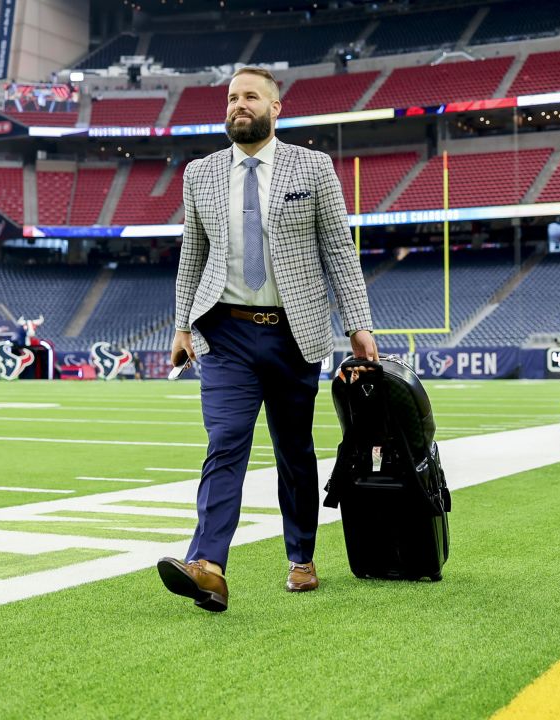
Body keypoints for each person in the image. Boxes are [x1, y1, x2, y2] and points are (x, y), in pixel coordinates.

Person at [156, 66, 377, 612]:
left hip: (293, 332)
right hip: (224, 332)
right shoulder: (200, 175)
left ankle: (301, 553)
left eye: (250, 96)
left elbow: (338, 252)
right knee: (225, 441)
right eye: (232, 97)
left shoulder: (314, 166)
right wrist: (183, 325)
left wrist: (358, 324)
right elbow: (193, 256)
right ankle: (208, 565)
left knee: (294, 452)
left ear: (276, 107)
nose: (239, 105)